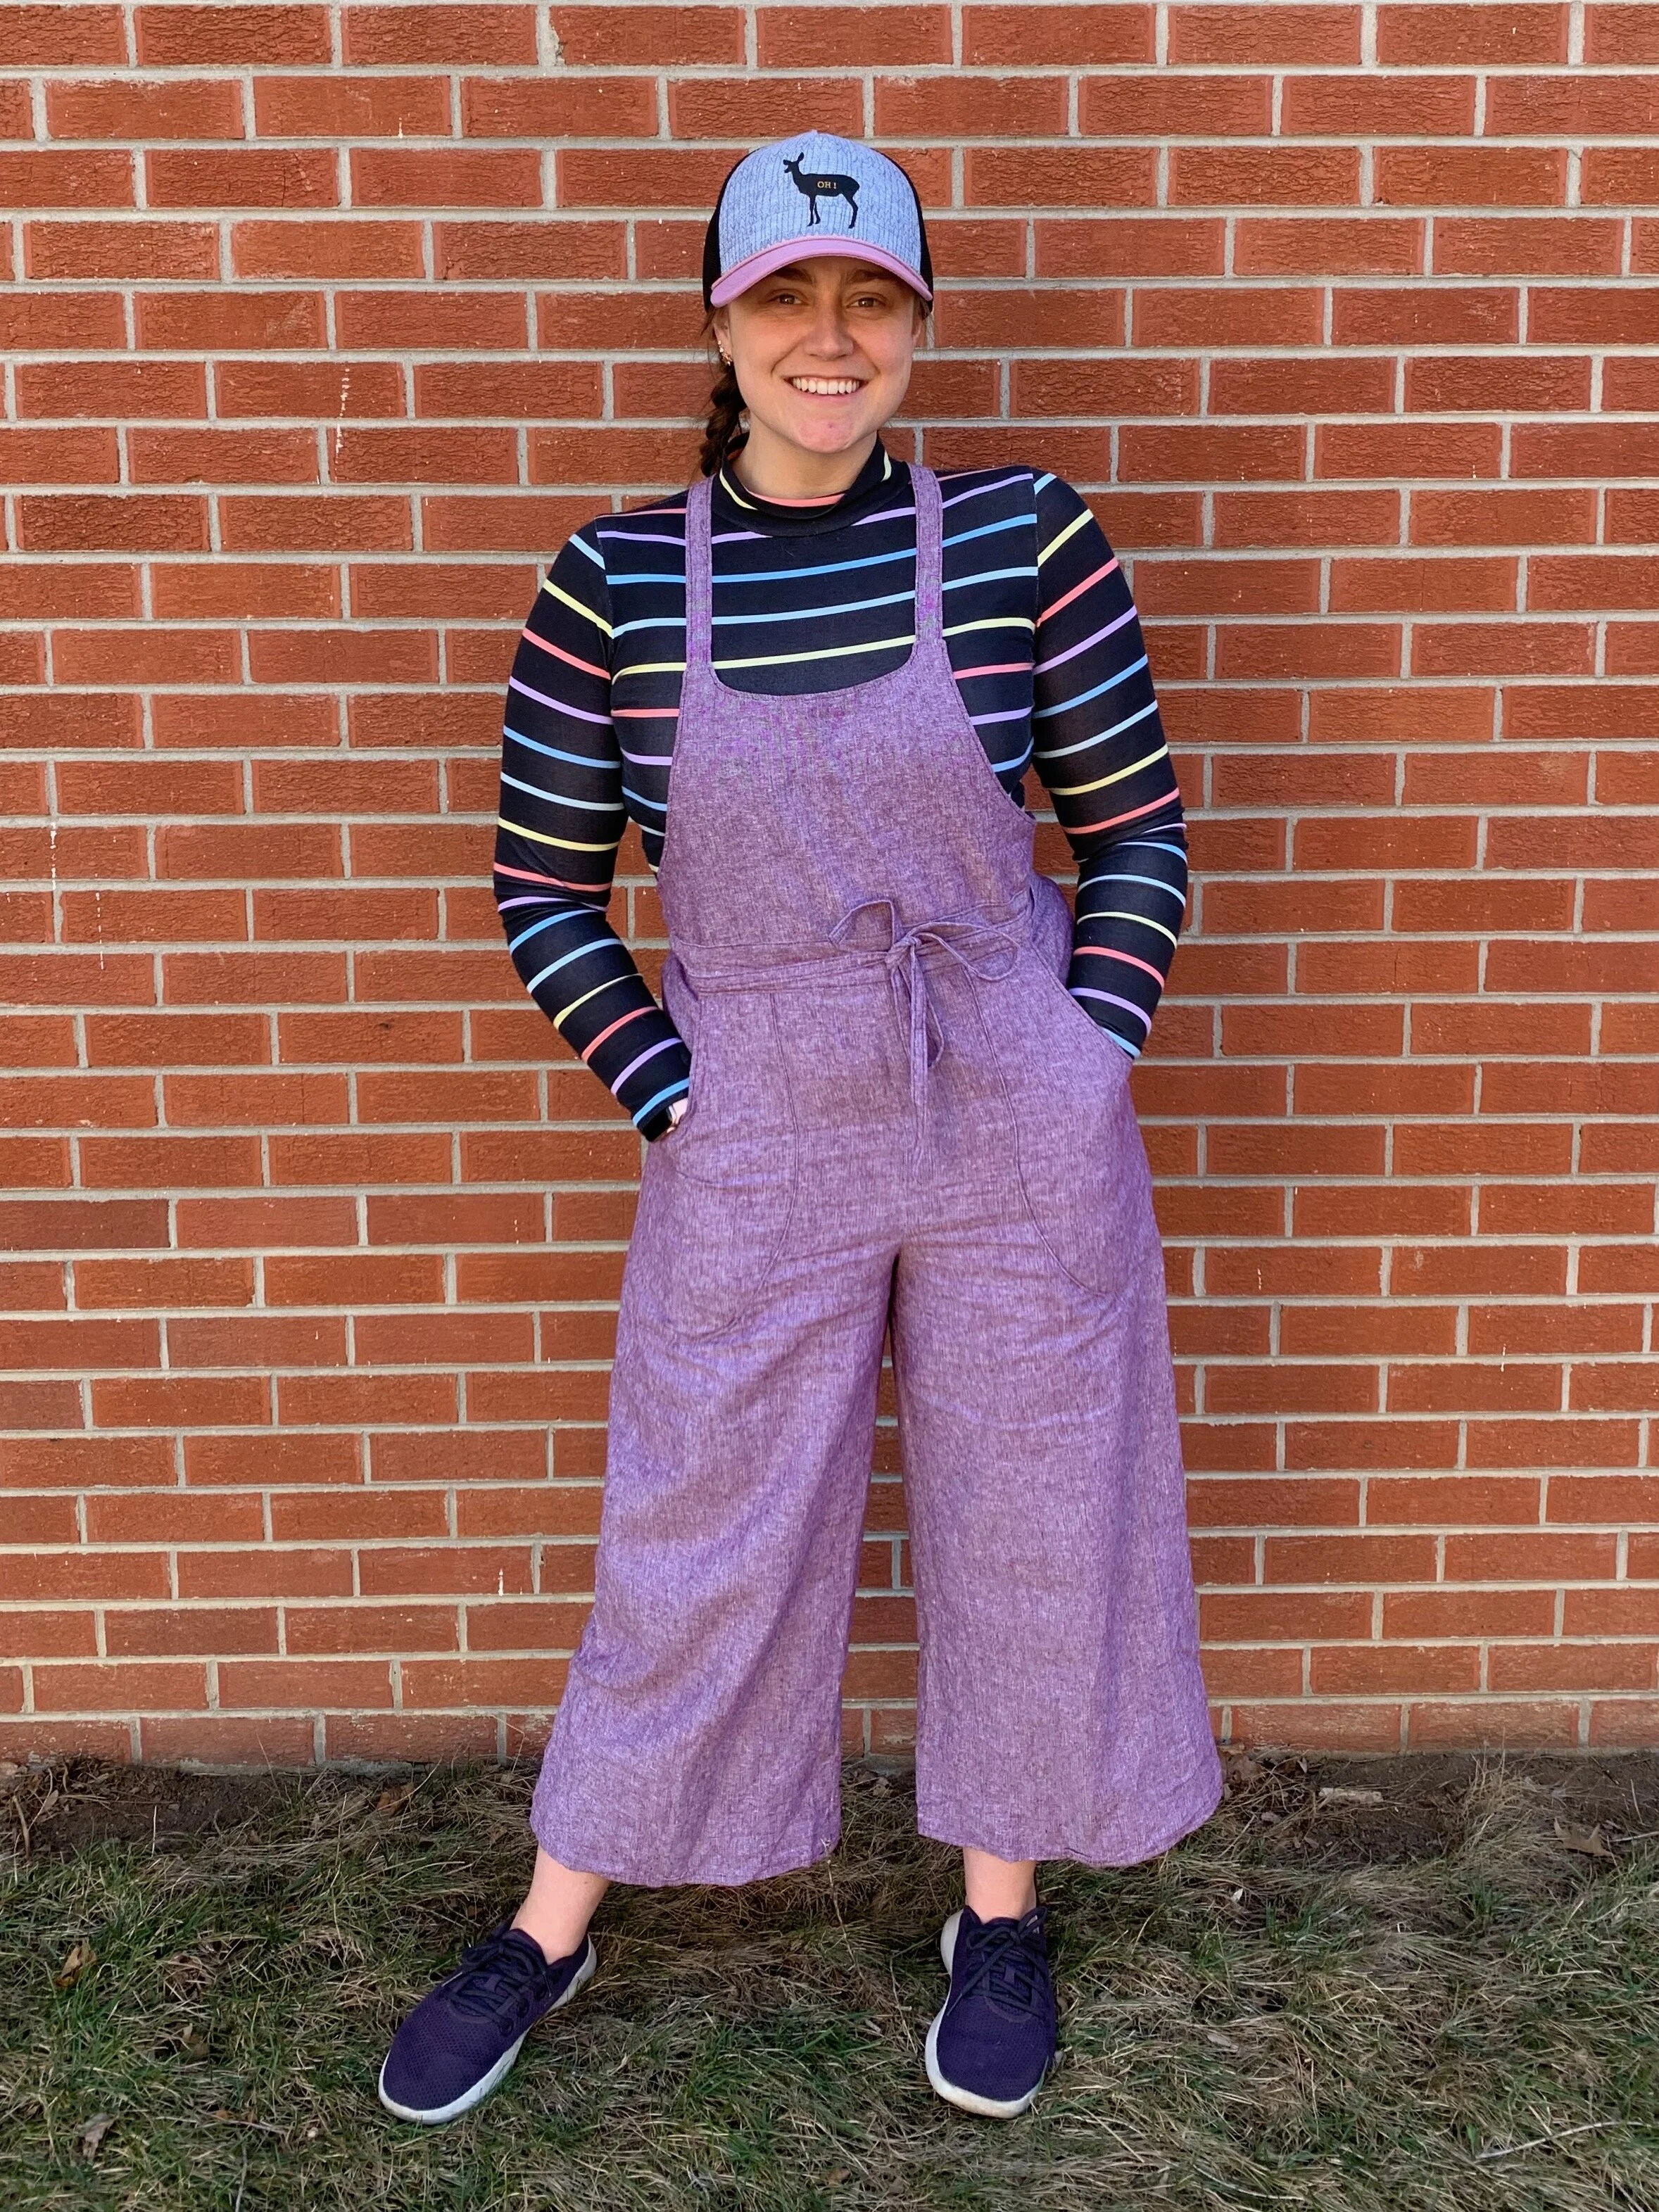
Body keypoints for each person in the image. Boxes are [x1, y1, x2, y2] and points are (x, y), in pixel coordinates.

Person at [380, 129, 1222, 2129]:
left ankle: (995, 1909)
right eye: (785, 298)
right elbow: (539, 884)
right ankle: (551, 1915)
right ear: (724, 320)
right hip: (754, 1104)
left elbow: (1137, 832)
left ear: (914, 324)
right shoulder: (612, 577)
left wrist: (1080, 1041)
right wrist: (674, 1089)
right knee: (699, 1515)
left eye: (868, 300)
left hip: (1006, 1090)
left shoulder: (1026, 538)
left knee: (1035, 1501)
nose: (825, 341)